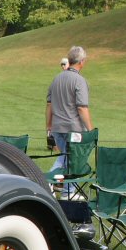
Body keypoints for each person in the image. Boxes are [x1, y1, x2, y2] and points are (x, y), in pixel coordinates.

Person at [46, 46, 93, 199]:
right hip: (73, 129)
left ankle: (67, 192)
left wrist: (48, 126)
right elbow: (82, 107)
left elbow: (49, 105)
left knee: (67, 159)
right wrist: (90, 130)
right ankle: (47, 182)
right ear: (82, 62)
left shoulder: (56, 79)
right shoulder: (79, 81)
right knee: (70, 159)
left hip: (57, 127)